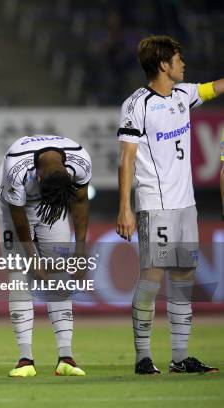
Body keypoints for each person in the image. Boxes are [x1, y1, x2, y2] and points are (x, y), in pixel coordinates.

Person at [116, 35, 223, 374]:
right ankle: (143, 356)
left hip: (185, 205)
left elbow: (214, 88)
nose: (183, 63)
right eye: (178, 58)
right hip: (155, 203)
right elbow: (126, 159)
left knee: (184, 275)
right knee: (151, 276)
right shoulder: (137, 104)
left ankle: (180, 356)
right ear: (163, 64)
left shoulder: (183, 94)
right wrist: (125, 207)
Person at [0, 135, 91, 377]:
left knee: (59, 273)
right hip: (14, 204)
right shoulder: (16, 170)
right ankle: (25, 359)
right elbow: (18, 214)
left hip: (54, 201)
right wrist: (32, 258)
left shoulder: (80, 161)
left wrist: (80, 252)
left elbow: (80, 203)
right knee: (19, 274)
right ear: (38, 178)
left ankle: (66, 357)